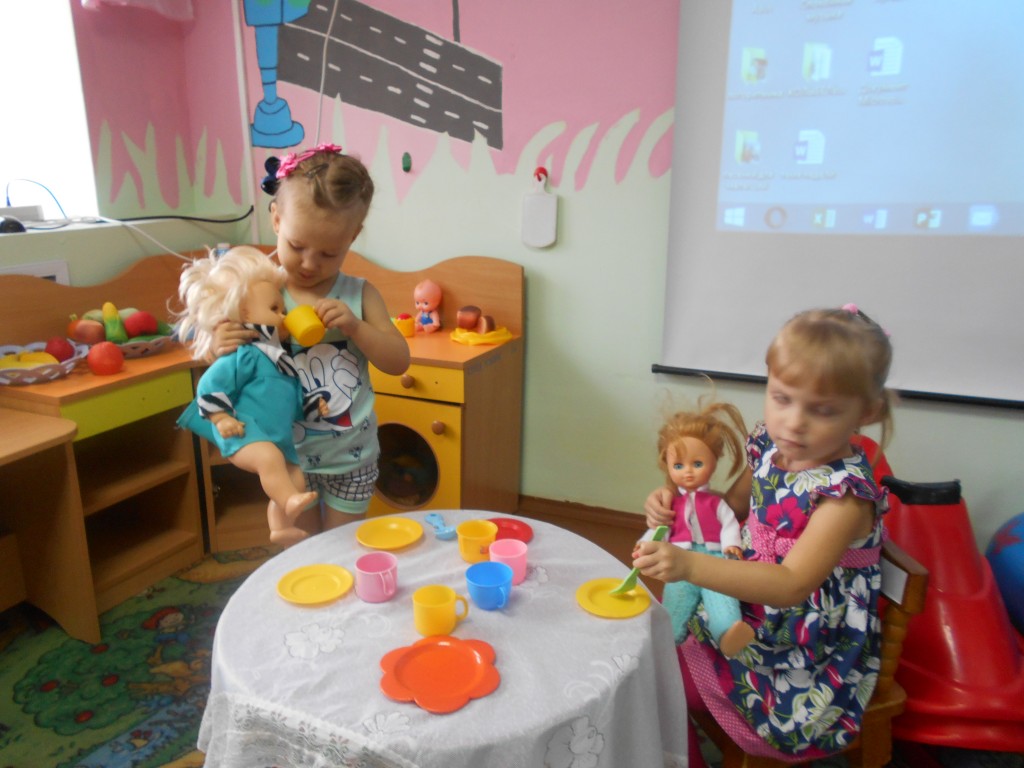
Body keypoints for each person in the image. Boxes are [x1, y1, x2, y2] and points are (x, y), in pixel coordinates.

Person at [635, 305, 894, 763]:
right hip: (747, 599)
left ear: (867, 412)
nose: (794, 422)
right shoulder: (772, 448)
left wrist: (691, 564)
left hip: (800, 646)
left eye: (823, 410)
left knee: (658, 681)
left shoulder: (844, 498)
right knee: (647, 656)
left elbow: (791, 583)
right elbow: (731, 507)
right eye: (781, 398)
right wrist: (675, 501)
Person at [213, 143, 410, 532]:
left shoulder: (360, 294)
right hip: (288, 459)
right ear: (276, 219)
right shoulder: (256, 292)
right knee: (303, 548)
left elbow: (398, 360)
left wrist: (356, 327)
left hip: (352, 457)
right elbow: (227, 366)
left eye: (328, 254)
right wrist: (221, 344)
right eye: (297, 246)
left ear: (352, 237)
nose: (308, 263)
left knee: (343, 547)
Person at [176, 246, 321, 547]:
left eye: (283, 309)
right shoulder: (247, 355)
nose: (283, 316)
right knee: (269, 460)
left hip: (278, 436)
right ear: (243, 314)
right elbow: (210, 384)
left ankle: (280, 527)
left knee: (296, 477)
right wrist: (221, 417)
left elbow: (293, 402)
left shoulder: (284, 365)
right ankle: (289, 501)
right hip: (245, 432)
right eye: (275, 309)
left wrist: (313, 405)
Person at [646, 399, 752, 656]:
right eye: (679, 466)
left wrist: (731, 545)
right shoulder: (674, 502)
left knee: (722, 597)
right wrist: (647, 543)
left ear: (714, 461)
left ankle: (727, 633)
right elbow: (662, 529)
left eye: (697, 464)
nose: (688, 473)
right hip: (679, 556)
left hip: (716, 557)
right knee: (676, 599)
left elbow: (729, 523)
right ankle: (666, 640)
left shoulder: (716, 502)